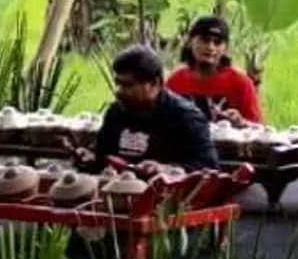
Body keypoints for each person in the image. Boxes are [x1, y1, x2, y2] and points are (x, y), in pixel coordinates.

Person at [75, 45, 218, 176]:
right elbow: (102, 154)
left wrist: (166, 169)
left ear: (154, 84)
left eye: (128, 85)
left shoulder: (187, 118)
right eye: (118, 84)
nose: (119, 91)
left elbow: (209, 168)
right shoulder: (116, 113)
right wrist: (89, 157)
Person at [165, 15, 262, 127]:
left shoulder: (240, 82)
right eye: (205, 40)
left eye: (217, 42)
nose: (210, 47)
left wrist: (241, 123)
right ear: (190, 42)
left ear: (225, 48)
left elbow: (260, 131)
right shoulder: (175, 81)